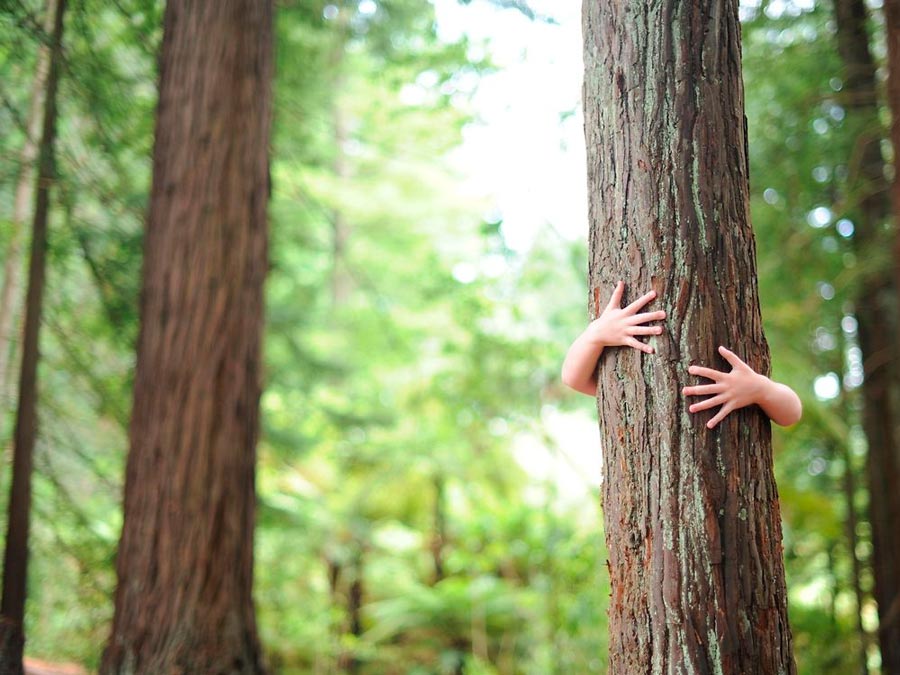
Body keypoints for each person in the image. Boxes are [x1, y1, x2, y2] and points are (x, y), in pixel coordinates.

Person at [561, 281, 802, 428]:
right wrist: (595, 334)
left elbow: (791, 412)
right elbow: (574, 378)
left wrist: (760, 388)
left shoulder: (743, 381)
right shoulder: (624, 384)